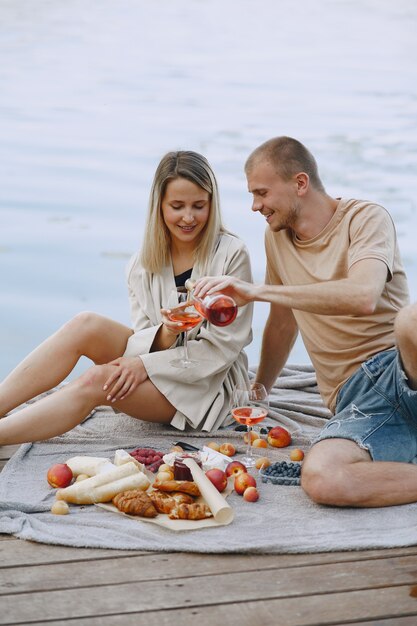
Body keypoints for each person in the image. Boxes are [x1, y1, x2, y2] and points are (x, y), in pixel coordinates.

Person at [193, 136, 417, 508]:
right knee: (323, 479)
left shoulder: (366, 218)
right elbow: (282, 324)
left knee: (411, 320)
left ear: (299, 183)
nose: (255, 206)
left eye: (261, 193)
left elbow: (363, 296)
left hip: (402, 366)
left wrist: (258, 291)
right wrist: (259, 392)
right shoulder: (277, 238)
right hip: (357, 400)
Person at [0, 151, 253, 443]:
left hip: (207, 386)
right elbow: (144, 338)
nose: (188, 217)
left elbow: (221, 351)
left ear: (212, 203)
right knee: (85, 324)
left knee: (97, 380)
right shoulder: (141, 264)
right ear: (159, 206)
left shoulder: (232, 254)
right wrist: (167, 333)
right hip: (160, 361)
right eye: (177, 206)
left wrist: (143, 366)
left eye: (199, 205)